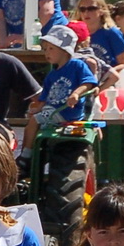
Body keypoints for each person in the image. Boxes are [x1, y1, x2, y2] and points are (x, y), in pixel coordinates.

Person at [22, 25, 96, 154]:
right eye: (45, 49)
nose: (47, 53)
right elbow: (44, 98)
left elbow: (89, 82)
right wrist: (37, 109)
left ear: (65, 50)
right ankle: (35, 155)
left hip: (66, 111)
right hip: (52, 111)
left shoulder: (77, 65)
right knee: (32, 123)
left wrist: (76, 94)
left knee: (34, 122)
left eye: (51, 48)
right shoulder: (52, 74)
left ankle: (25, 156)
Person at [77, 0, 124, 71]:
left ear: (101, 10)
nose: (86, 13)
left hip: (109, 80)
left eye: (91, 8)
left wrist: (107, 75)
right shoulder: (75, 33)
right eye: (82, 9)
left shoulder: (111, 33)